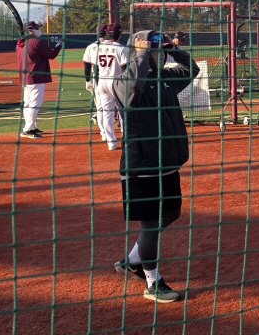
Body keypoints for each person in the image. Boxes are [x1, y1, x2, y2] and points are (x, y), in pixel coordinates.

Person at [113, 29, 199, 303]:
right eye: (156, 50)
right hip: (143, 166)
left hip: (168, 163)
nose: (160, 55)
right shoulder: (124, 79)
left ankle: (133, 259)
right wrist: (140, 52)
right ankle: (152, 283)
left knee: (172, 213)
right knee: (150, 226)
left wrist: (172, 47)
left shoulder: (166, 78)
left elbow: (191, 68)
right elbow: (134, 87)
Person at [83, 22, 128, 150]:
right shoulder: (122, 49)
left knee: (106, 113)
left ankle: (111, 142)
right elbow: (126, 69)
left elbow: (92, 65)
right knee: (122, 112)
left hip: (101, 82)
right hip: (117, 82)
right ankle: (125, 139)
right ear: (119, 34)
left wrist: (89, 81)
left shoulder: (97, 47)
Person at [16, 21, 62, 139]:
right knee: (35, 103)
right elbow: (50, 55)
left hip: (25, 77)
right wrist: (58, 47)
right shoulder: (36, 42)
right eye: (36, 28)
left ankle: (32, 127)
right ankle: (27, 129)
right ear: (30, 30)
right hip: (35, 76)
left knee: (28, 103)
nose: (38, 30)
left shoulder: (20, 43)